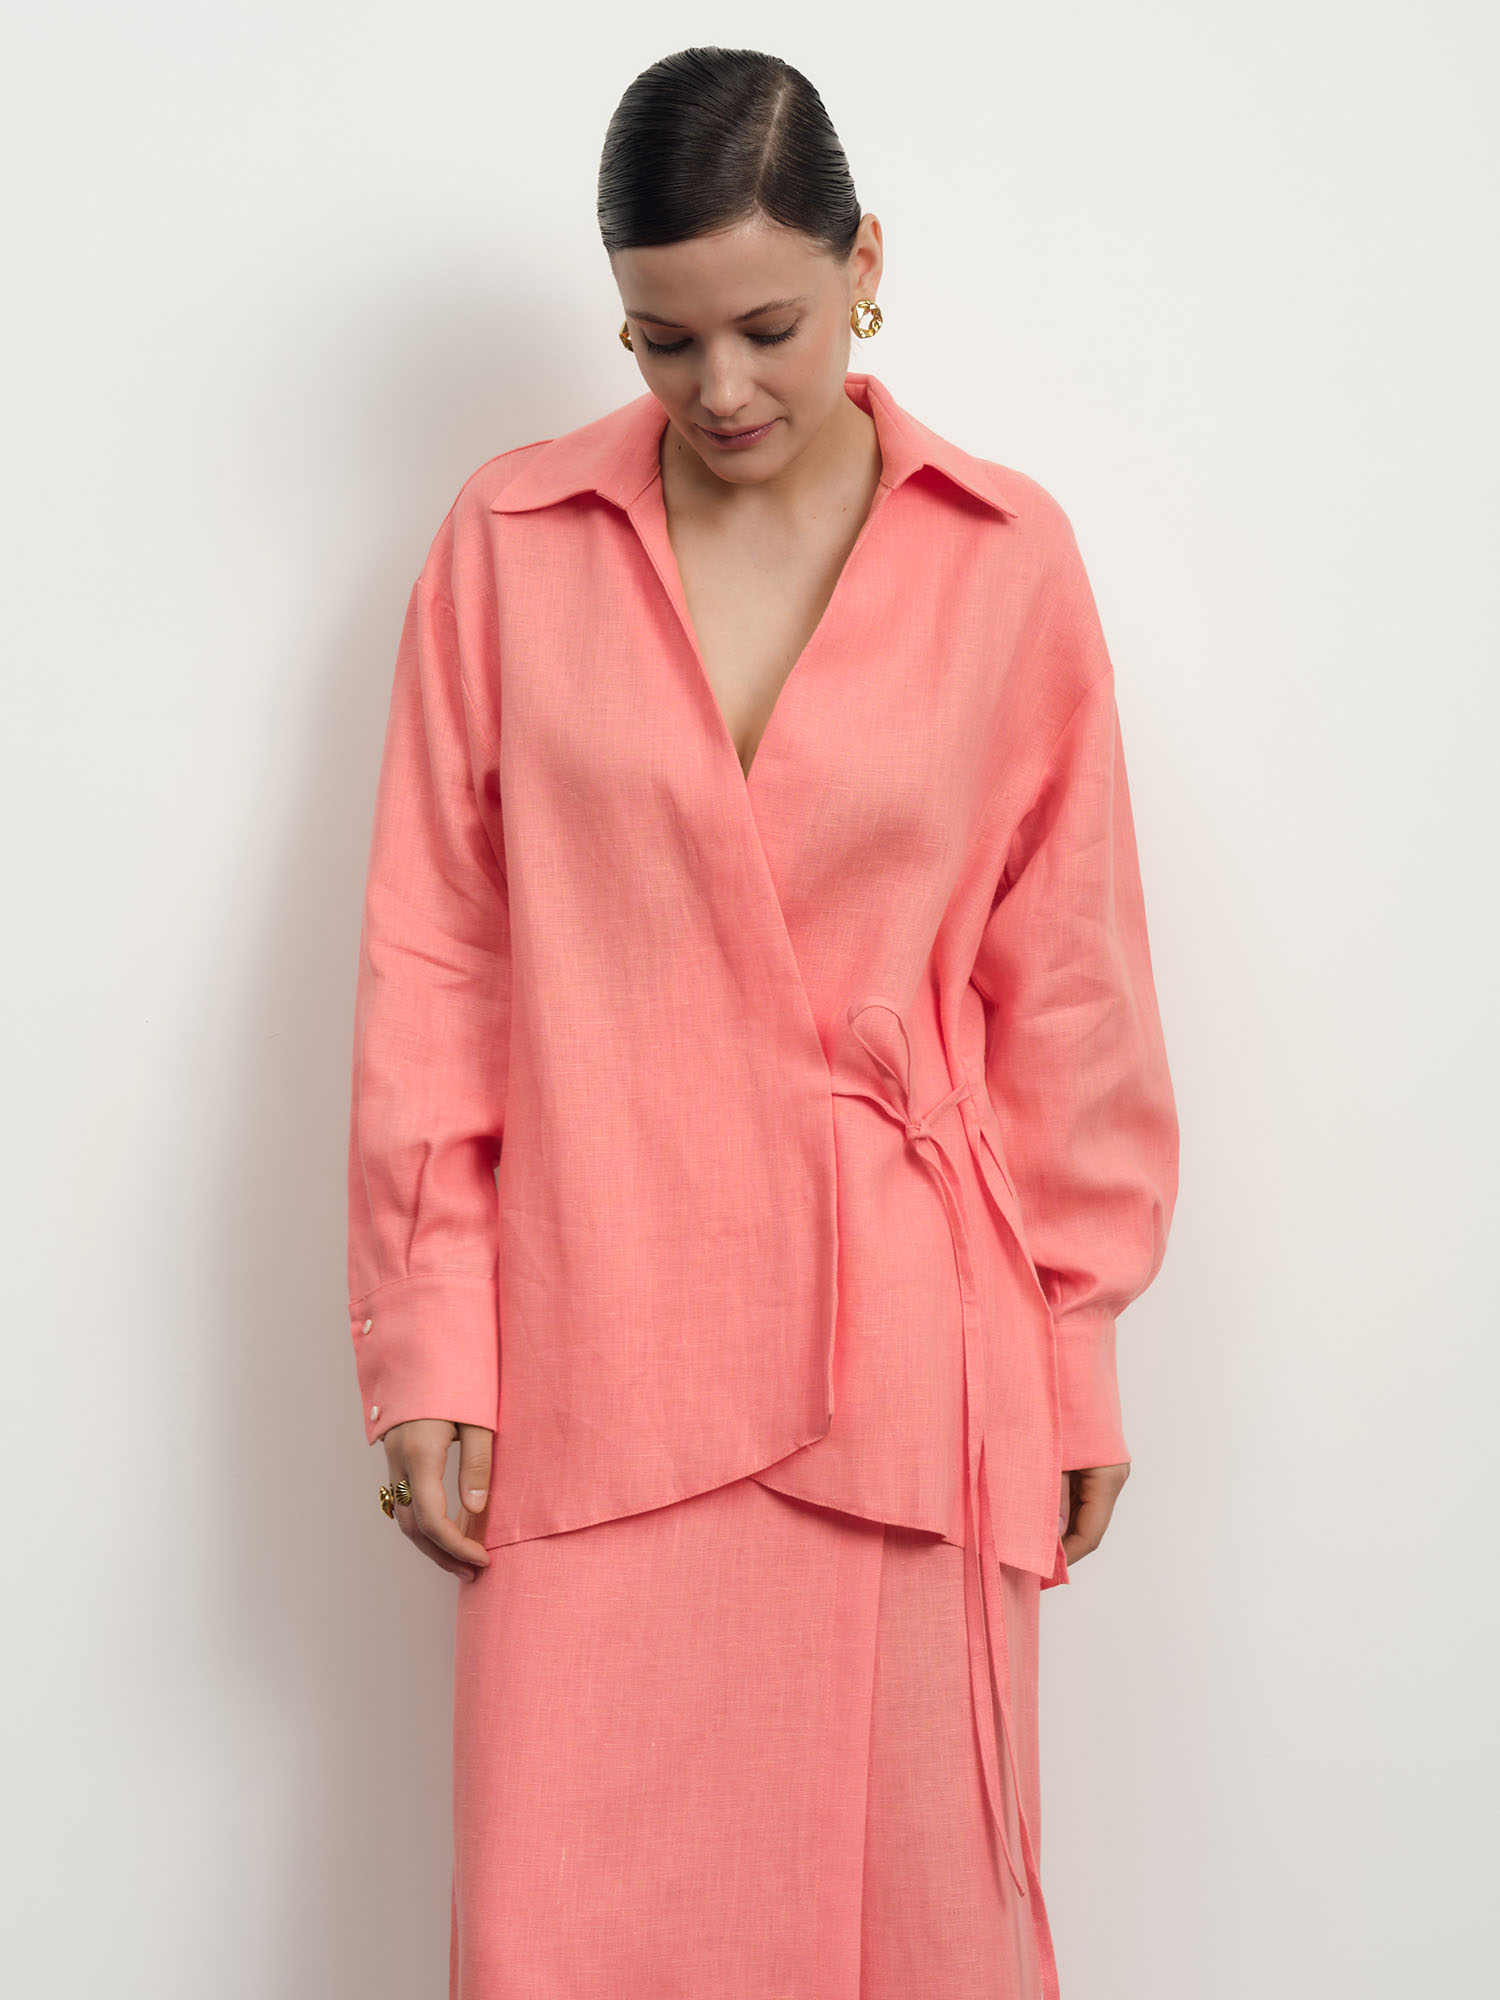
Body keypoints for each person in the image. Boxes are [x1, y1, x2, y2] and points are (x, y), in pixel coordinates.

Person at [345, 44, 1179, 2000]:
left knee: (908, 1928)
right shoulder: (509, 545)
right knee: (564, 1933)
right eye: (663, 340)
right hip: (592, 1343)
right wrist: (432, 1338)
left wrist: (1072, 1351)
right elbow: (438, 960)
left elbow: (1069, 985)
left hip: (909, 1365)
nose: (719, 389)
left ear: (863, 265)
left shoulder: (1006, 561)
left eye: (767, 329)